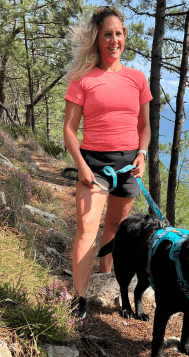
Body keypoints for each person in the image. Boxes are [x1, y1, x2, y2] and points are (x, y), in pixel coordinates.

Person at [63, 6, 152, 320]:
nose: (114, 40)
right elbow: (69, 130)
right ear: (97, 40)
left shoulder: (137, 78)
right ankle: (81, 297)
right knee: (87, 230)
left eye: (118, 33)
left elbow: (145, 127)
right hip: (95, 165)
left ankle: (108, 283)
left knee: (114, 229)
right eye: (107, 35)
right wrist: (83, 166)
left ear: (124, 36)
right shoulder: (83, 79)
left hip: (129, 166)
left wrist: (141, 154)